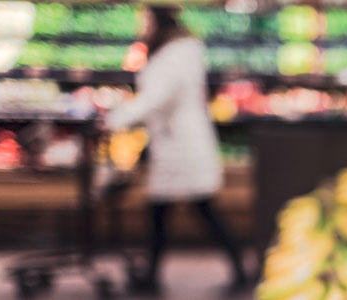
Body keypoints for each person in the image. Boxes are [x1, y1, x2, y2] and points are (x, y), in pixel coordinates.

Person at [102, 5, 248, 294]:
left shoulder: (174, 56)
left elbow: (156, 99)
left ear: (158, 21)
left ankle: (237, 269)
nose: (141, 26)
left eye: (145, 20)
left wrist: (116, 118)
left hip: (181, 145)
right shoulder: (179, 52)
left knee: (194, 209)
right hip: (174, 143)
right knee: (167, 211)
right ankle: (155, 275)